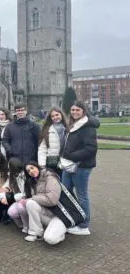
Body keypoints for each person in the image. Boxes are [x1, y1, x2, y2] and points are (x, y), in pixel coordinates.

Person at [61, 101, 98, 236]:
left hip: (81, 166)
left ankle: (84, 225)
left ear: (83, 111)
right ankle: (74, 217)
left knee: (82, 195)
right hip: (68, 165)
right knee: (66, 191)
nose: (75, 112)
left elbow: (91, 149)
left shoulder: (87, 126)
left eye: (78, 110)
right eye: (72, 110)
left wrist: (71, 156)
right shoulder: (73, 125)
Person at [21, 161, 67, 244]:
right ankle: (36, 233)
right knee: (30, 203)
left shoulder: (50, 177)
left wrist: (32, 198)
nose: (31, 171)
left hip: (59, 215)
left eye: (32, 168)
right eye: (28, 171)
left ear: (37, 166)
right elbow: (34, 199)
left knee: (50, 239)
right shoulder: (34, 180)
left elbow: (52, 200)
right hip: (48, 213)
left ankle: (61, 231)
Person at [38, 107, 68, 176]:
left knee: (65, 185)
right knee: (53, 184)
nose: (55, 117)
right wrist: (42, 165)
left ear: (61, 115)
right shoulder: (47, 130)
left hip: (65, 162)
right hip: (52, 162)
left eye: (57, 115)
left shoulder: (68, 128)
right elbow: (42, 149)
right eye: (53, 116)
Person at [0, 158, 26, 229]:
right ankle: (21, 225)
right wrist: (2, 197)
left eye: (9, 165)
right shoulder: (11, 175)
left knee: (21, 208)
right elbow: (4, 187)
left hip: (26, 200)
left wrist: (17, 197)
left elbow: (29, 192)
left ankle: (27, 225)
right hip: (18, 201)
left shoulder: (25, 176)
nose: (8, 167)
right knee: (11, 212)